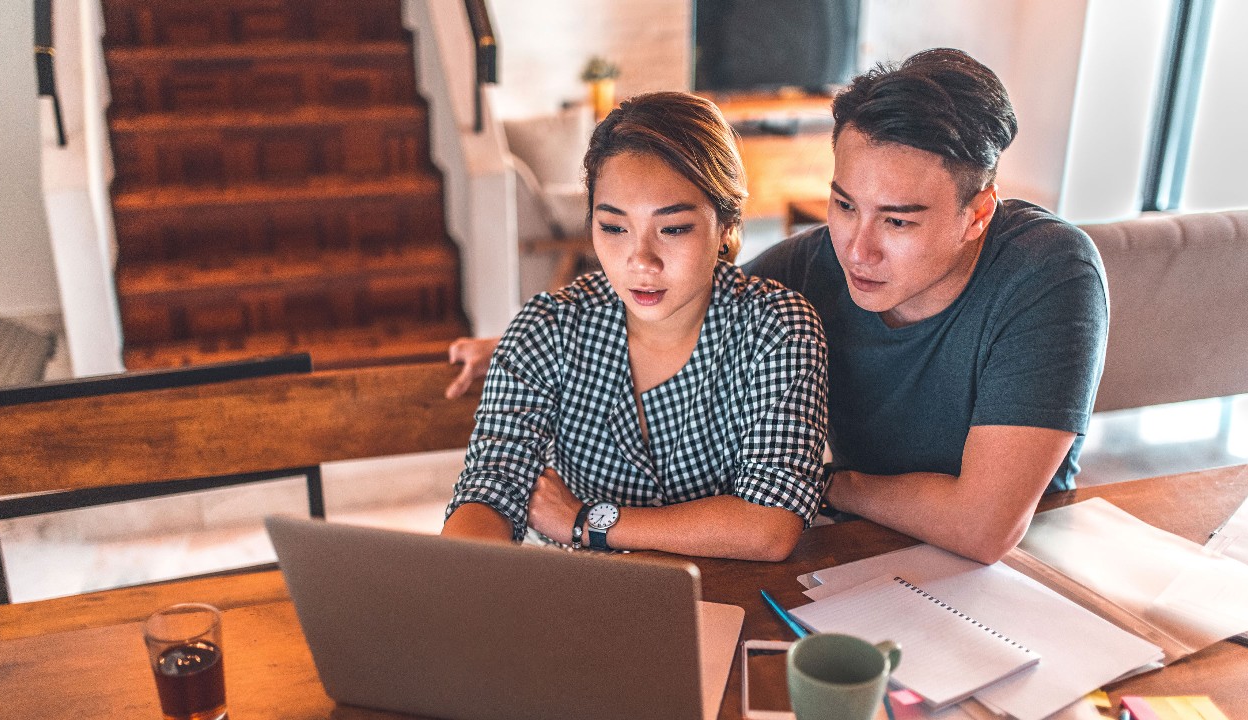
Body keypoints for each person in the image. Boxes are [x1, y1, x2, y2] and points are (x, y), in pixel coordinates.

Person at [446, 50, 1109, 565]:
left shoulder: (1047, 271)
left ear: (976, 215)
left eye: (898, 222)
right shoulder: (810, 266)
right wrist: (514, 344)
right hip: (855, 555)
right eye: (844, 204)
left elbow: (984, 527)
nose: (858, 248)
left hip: (1019, 570)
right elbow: (676, 297)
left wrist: (824, 485)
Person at [441, 92, 829, 561]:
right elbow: (491, 488)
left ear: (727, 223)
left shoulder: (777, 329)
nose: (640, 261)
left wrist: (587, 521)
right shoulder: (546, 329)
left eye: (674, 228)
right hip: (584, 600)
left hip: (733, 599)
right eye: (614, 227)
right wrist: (458, 581)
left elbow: (770, 525)